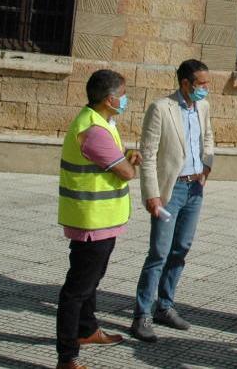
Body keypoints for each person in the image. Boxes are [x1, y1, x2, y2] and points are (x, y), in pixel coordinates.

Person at [55, 69, 140, 369]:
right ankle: (67, 356)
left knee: (91, 281)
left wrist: (124, 160)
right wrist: (130, 164)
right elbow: (126, 173)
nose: (126, 99)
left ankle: (87, 330)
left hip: (101, 221)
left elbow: (115, 162)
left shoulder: (102, 122)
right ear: (109, 99)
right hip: (91, 221)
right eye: (124, 94)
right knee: (76, 290)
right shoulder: (93, 130)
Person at [130, 59, 215, 342]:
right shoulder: (161, 108)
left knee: (181, 248)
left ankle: (164, 306)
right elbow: (149, 153)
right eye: (201, 83)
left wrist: (207, 167)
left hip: (194, 189)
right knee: (159, 252)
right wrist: (151, 194)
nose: (206, 88)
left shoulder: (202, 107)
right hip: (171, 189)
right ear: (186, 83)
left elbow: (208, 137)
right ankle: (141, 314)